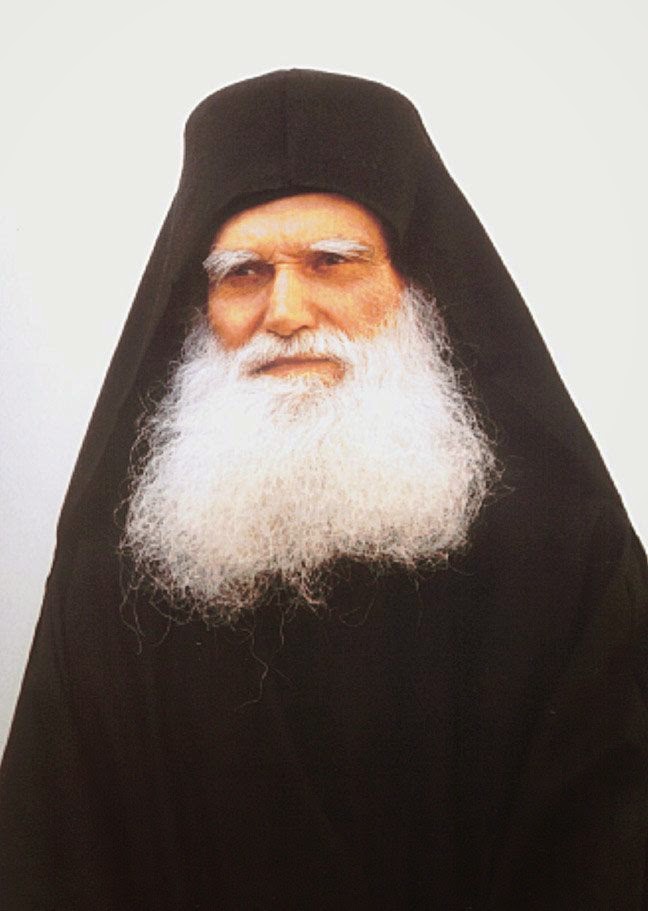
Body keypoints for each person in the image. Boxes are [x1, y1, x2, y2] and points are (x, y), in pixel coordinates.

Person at [0, 69, 646, 910]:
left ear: (417, 284)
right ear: (198, 306)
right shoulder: (115, 571)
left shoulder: (565, 555)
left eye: (332, 262)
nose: (285, 311)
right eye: (242, 273)